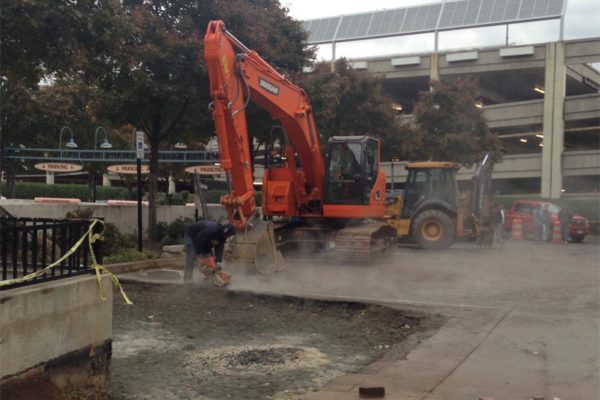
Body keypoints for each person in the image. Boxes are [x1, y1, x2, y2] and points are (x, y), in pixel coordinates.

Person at [184, 220, 236, 286]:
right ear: (225, 232)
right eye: (228, 236)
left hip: (205, 241)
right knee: (191, 256)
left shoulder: (223, 236)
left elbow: (219, 248)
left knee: (210, 258)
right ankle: (188, 279)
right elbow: (198, 239)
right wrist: (198, 254)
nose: (228, 237)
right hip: (192, 235)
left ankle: (209, 277)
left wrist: (218, 261)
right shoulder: (212, 230)